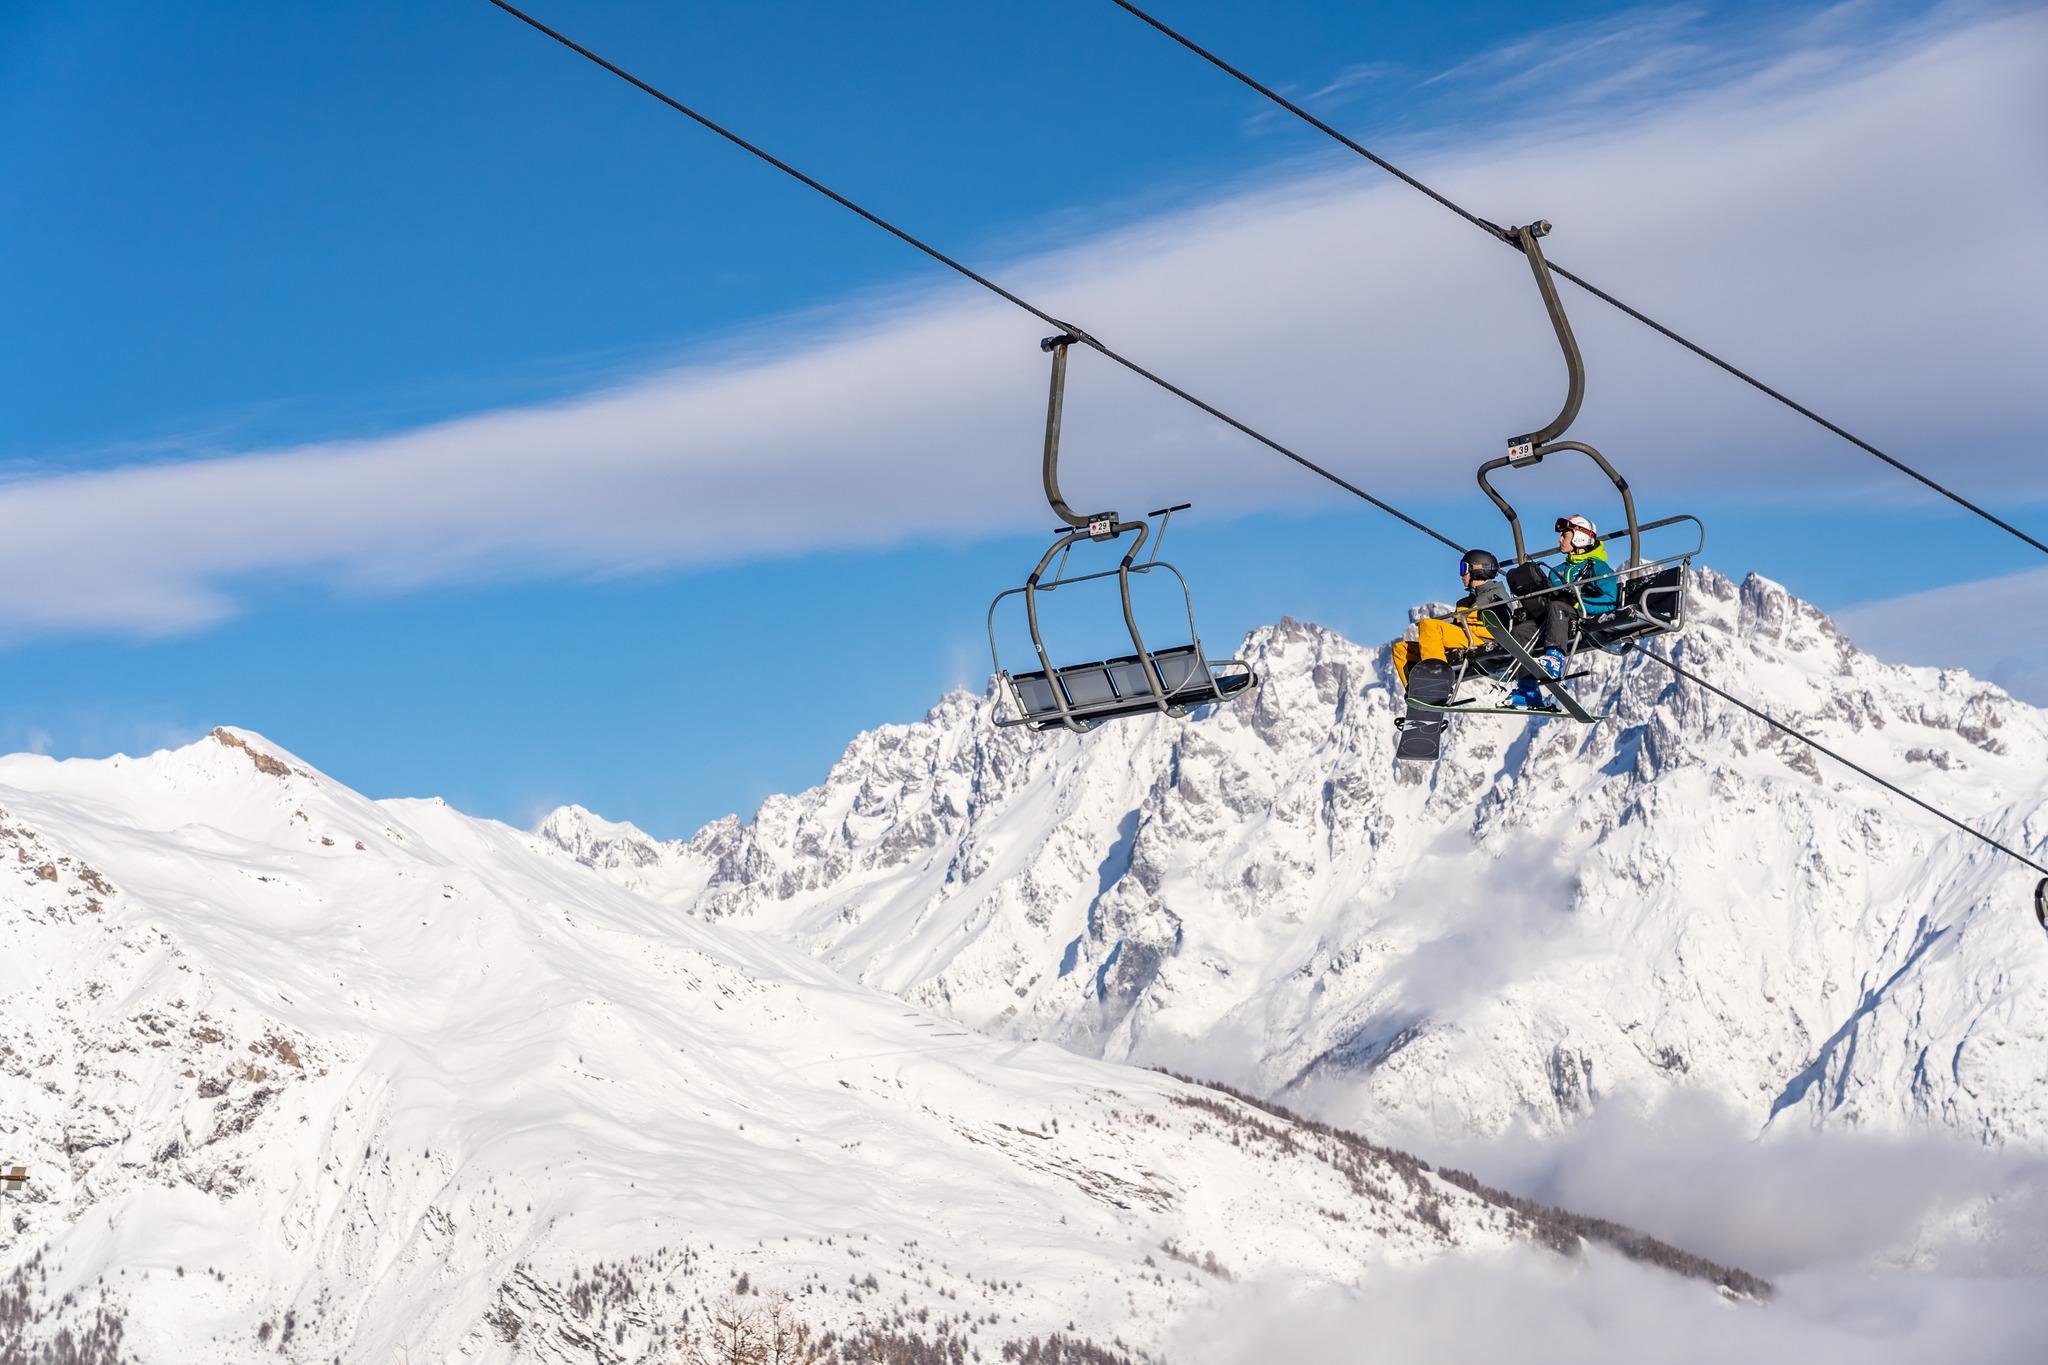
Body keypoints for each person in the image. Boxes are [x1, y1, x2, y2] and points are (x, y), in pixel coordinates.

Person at [1505, 513, 1619, 709]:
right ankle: (1528, 689)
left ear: (1579, 537)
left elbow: (1610, 600)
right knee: (1520, 631)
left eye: (1564, 535)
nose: (1559, 540)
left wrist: (1578, 604)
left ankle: (1554, 660)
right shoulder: (1555, 570)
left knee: (1559, 606)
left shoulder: (1597, 567)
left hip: (1579, 617)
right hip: (1553, 620)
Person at [1392, 549, 1503, 689]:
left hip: (1482, 638)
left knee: (1429, 625)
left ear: (1478, 569)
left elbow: (1502, 619)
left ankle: (1436, 680)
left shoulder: (1496, 593)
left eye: (1464, 569)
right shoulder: (1464, 602)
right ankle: (1417, 691)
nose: (1462, 575)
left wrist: (1465, 617)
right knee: (1401, 649)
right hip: (1464, 637)